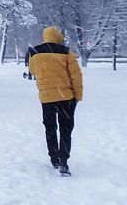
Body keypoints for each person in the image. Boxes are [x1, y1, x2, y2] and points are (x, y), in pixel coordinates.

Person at [27, 26, 83, 176]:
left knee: (50, 128)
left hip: (47, 98)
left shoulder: (36, 52)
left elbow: (32, 71)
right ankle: (63, 161)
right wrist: (78, 96)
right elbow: (76, 76)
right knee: (65, 129)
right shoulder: (66, 52)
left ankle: (54, 158)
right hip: (66, 98)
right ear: (58, 37)